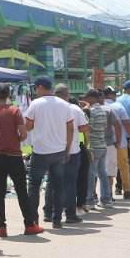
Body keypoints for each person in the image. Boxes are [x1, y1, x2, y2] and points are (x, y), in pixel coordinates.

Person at [0, 83, 32, 237]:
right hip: (14, 156)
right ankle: (29, 225)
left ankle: (1, 227)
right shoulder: (15, 110)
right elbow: (23, 134)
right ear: (9, 94)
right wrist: (14, 139)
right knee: (22, 191)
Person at [24, 76, 73, 229]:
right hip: (59, 151)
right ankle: (57, 219)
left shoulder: (35, 104)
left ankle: (33, 221)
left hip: (40, 151)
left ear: (39, 87)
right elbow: (70, 128)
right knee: (58, 186)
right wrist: (68, 148)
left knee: (34, 186)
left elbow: (28, 126)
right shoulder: (64, 105)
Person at [48, 84, 87, 224]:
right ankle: (70, 214)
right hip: (72, 151)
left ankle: (49, 213)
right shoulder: (74, 108)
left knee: (52, 183)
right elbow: (83, 128)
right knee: (70, 183)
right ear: (67, 94)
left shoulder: (48, 108)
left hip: (51, 150)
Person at [84, 89, 118, 208]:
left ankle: (89, 200)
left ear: (92, 98)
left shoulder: (91, 112)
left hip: (93, 146)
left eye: (87, 98)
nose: (85, 100)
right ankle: (106, 199)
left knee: (90, 174)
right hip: (102, 144)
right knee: (102, 173)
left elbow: (88, 129)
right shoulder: (103, 111)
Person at [103, 87, 130, 199]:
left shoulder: (100, 107)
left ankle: (108, 193)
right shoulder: (118, 106)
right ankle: (127, 190)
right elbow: (127, 123)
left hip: (104, 143)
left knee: (106, 168)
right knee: (124, 167)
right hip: (120, 143)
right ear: (112, 95)